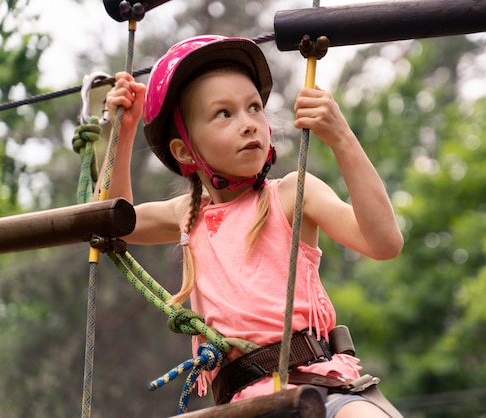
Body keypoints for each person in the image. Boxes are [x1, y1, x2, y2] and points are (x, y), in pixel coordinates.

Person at [100, 35, 404, 418]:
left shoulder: (293, 194)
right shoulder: (187, 216)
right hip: (241, 407)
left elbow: (384, 243)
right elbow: (114, 222)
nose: (248, 124)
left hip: (315, 387)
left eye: (254, 108)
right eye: (224, 114)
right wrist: (121, 133)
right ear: (184, 151)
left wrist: (341, 138)